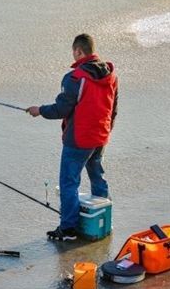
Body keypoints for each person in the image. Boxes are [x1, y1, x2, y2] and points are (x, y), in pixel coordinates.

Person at [26, 34, 118, 241]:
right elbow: (114, 107)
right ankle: (104, 220)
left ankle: (68, 229)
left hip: (79, 139)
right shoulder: (110, 75)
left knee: (69, 183)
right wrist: (107, 129)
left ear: (78, 51)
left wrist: (39, 110)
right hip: (100, 136)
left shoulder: (75, 78)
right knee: (97, 175)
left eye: (73, 51)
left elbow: (62, 108)